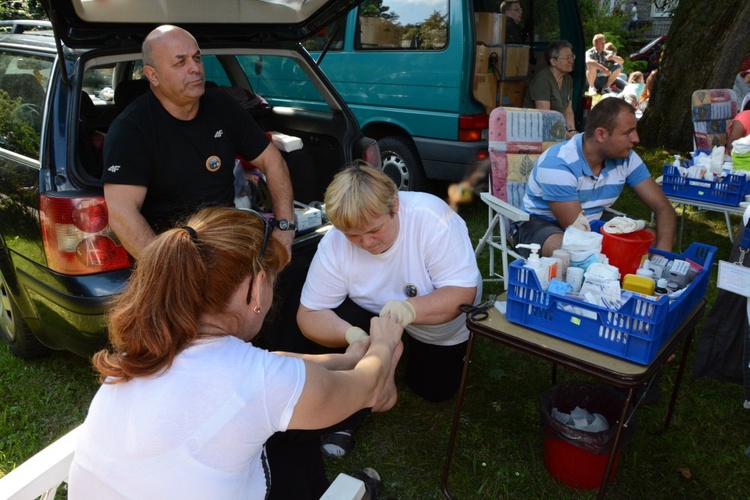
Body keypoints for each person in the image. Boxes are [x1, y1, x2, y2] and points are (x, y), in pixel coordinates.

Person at [67, 206, 403, 499]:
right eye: (273, 281)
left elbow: (265, 372)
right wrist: (385, 342)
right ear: (256, 287)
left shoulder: (145, 350)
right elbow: (368, 387)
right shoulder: (259, 381)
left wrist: (345, 359)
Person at [297, 163, 481, 454]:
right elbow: (309, 314)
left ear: (395, 204)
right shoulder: (334, 242)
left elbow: (461, 294)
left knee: (434, 390)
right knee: (343, 335)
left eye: (374, 230)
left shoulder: (433, 218)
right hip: (369, 312)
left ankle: (395, 358)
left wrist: (406, 312)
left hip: (436, 318)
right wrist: (355, 338)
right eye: (353, 236)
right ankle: (346, 414)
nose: (367, 243)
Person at [102, 25, 295, 262]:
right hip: (170, 252)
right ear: (153, 75)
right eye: (180, 62)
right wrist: (167, 270)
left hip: (226, 243)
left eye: (196, 58)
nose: (195, 69)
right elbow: (122, 212)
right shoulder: (131, 129)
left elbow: (272, 160)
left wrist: (285, 228)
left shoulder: (222, 106)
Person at [516, 97, 676, 257]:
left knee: (658, 236)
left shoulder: (627, 158)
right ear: (601, 135)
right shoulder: (558, 164)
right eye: (628, 132)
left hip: (594, 220)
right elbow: (578, 233)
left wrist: (662, 253)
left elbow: (662, 206)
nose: (636, 139)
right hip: (543, 225)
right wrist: (625, 246)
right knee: (568, 252)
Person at [523, 40, 579, 139]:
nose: (571, 61)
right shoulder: (542, 81)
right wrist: (568, 136)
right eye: (567, 58)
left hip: (558, 130)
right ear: (553, 61)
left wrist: (572, 131)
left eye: (572, 57)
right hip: (538, 132)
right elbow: (546, 118)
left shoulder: (568, 79)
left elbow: (568, 111)